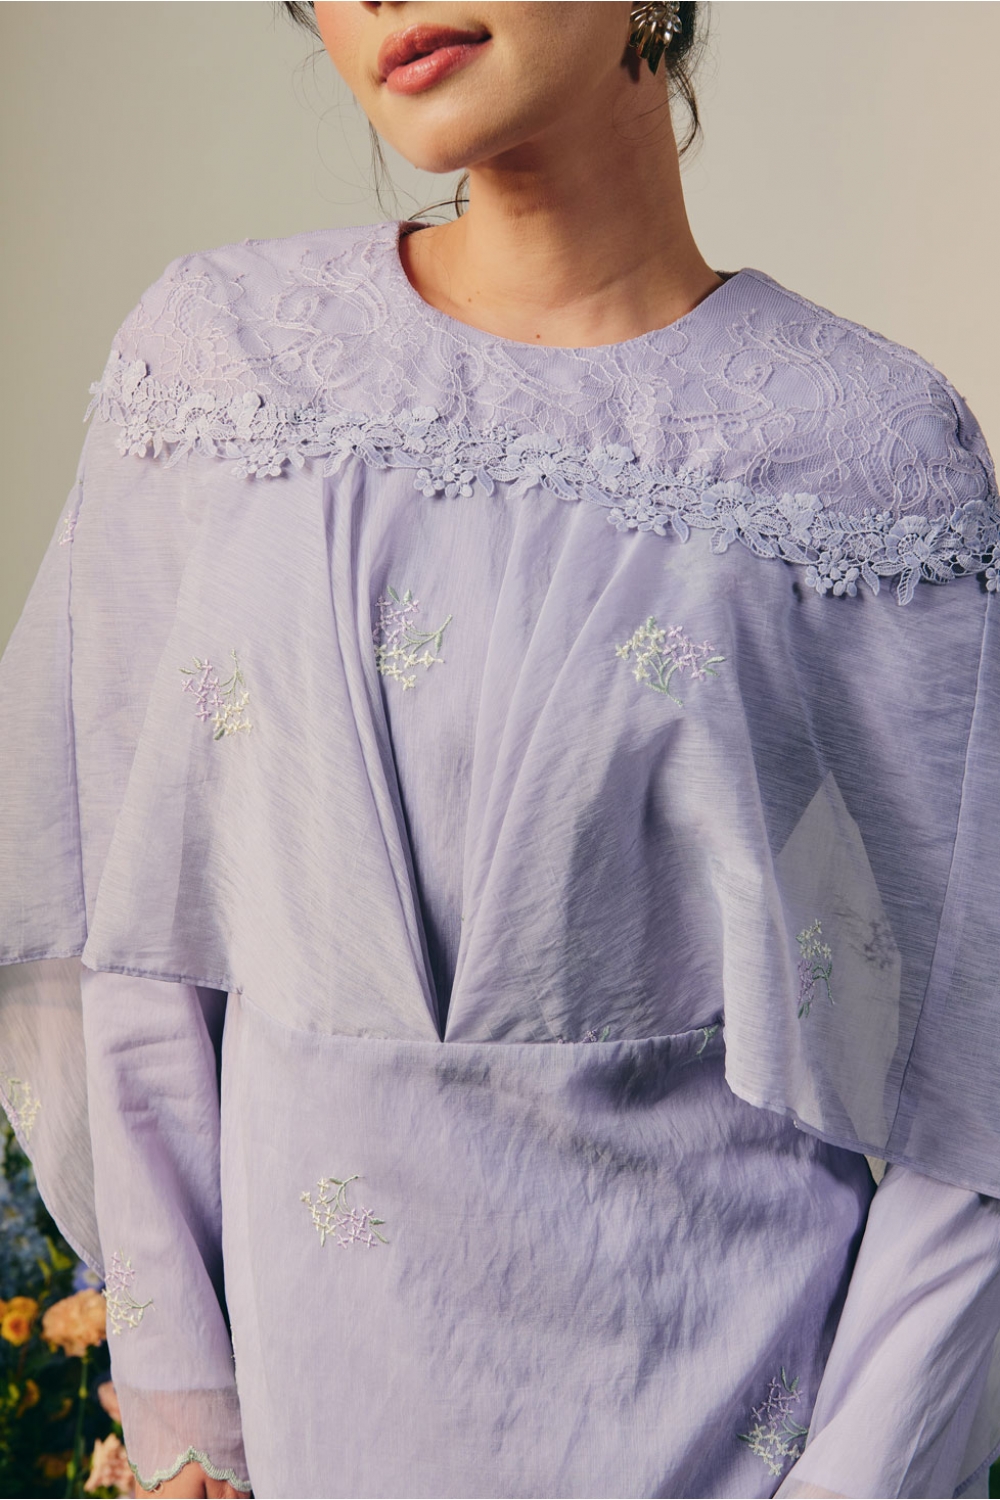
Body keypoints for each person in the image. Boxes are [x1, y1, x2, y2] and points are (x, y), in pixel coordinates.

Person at [2, 2, 1000, 1496]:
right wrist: (183, 1413)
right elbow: (135, 939)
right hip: (303, 1423)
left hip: (730, 1425)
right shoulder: (224, 365)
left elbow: (973, 1088)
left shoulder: (870, 451)